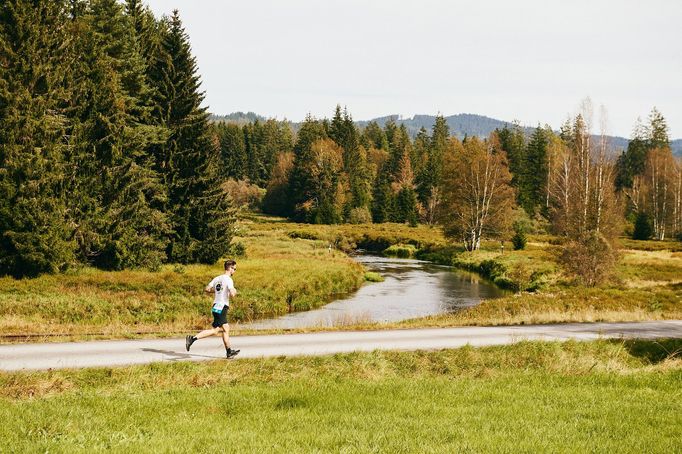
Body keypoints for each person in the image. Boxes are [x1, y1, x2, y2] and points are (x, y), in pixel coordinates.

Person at [185, 260, 240, 358]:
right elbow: (232, 294)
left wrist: (217, 291)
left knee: (222, 329)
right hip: (222, 307)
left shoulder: (217, 278)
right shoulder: (228, 279)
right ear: (230, 268)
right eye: (234, 269)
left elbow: (207, 289)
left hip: (215, 306)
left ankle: (229, 352)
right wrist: (234, 291)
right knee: (219, 330)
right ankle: (192, 338)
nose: (234, 271)